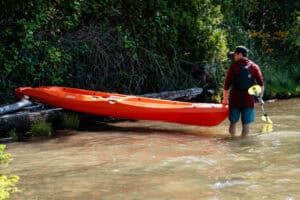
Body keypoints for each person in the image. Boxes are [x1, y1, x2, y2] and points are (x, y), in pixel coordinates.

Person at [222, 46, 264, 136]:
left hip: (234, 100)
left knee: (233, 123)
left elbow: (226, 85)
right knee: (246, 125)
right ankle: (243, 144)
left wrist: (225, 99)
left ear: (240, 55)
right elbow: (261, 84)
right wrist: (260, 98)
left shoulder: (233, 67)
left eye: (235, 55)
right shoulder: (254, 66)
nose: (234, 56)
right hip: (248, 100)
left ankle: (232, 141)